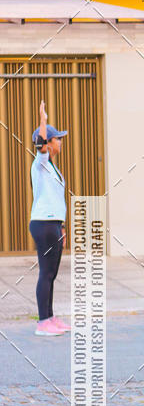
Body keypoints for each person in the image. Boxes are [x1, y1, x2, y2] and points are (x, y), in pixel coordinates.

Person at [30, 100, 70, 337]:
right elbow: (39, 144)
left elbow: (56, 200)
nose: (61, 142)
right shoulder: (40, 163)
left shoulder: (53, 168)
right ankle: (43, 322)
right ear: (49, 142)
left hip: (53, 224)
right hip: (43, 224)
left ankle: (51, 317)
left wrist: (62, 228)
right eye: (58, 138)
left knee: (52, 273)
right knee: (46, 272)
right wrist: (43, 121)